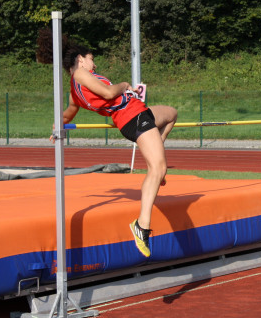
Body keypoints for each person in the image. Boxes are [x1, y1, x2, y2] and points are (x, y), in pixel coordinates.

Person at [37, 29, 178, 256]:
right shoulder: (81, 75)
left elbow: (67, 115)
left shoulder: (74, 92)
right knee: (158, 167)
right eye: (91, 59)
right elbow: (109, 92)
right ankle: (142, 225)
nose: (94, 64)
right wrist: (124, 84)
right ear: (80, 59)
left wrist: (57, 125)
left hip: (138, 111)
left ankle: (156, 167)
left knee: (171, 114)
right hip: (132, 117)